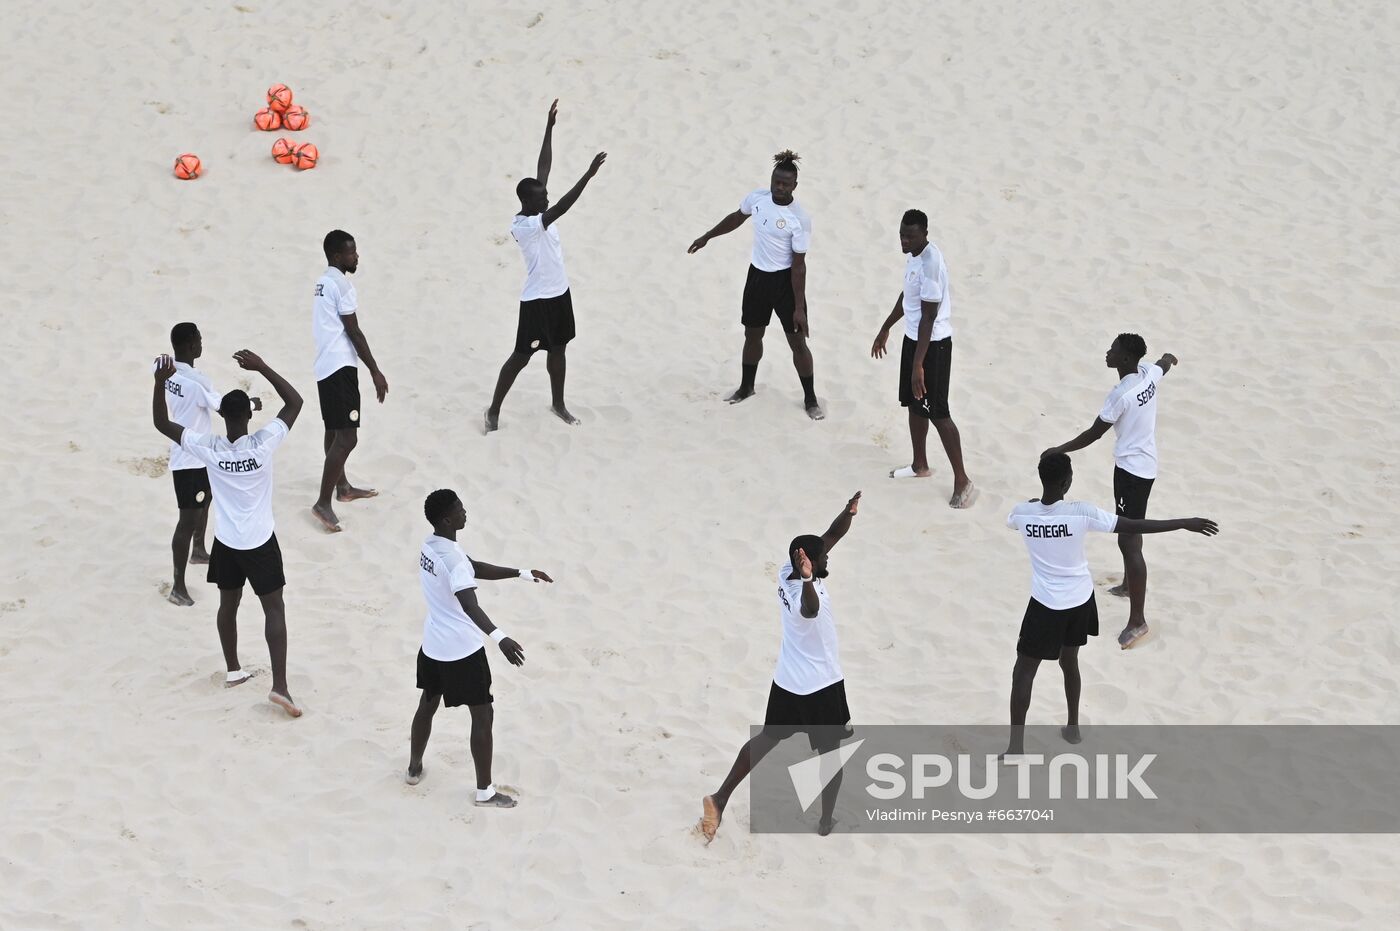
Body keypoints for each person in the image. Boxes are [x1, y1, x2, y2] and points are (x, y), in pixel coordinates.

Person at [1002, 453, 1216, 757]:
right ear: (1067, 481)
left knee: (1023, 673)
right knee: (1069, 661)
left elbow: (1016, 519)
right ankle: (1073, 727)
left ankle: (1015, 749)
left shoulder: (1021, 514)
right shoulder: (1082, 513)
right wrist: (1184, 523)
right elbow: (1134, 524)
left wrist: (1037, 503)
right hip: (1079, 602)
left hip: (1045, 605)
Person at [700, 491, 861, 842]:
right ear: (808, 563)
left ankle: (719, 797)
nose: (827, 557)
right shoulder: (804, 589)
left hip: (788, 680)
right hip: (821, 685)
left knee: (768, 737)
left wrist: (847, 512)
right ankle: (826, 821)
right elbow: (810, 610)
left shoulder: (787, 568)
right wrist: (808, 581)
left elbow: (831, 536)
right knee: (832, 755)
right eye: (822, 559)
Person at [151, 350, 305, 717]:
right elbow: (295, 402)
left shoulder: (211, 448)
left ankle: (234, 670)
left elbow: (162, 424)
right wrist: (263, 366)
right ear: (249, 416)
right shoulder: (263, 443)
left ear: (221, 416)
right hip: (260, 541)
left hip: (227, 543)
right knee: (274, 609)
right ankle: (280, 686)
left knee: (228, 606)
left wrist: (159, 384)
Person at [406, 489, 554, 807]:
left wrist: (522, 573)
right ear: (447, 519)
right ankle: (485, 791)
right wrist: (501, 638)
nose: (465, 512)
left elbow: (475, 567)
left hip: (432, 646)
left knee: (427, 705)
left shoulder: (431, 546)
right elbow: (470, 605)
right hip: (462, 651)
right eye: (459, 509)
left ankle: (414, 767)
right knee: (482, 716)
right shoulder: (455, 562)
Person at [1040, 335, 1178, 648]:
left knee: (1128, 538)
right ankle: (1129, 585)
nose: (1108, 352)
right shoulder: (1147, 374)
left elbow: (1094, 433)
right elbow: (1163, 365)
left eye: (1113, 350)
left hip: (1131, 472)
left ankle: (1138, 620)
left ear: (1127, 359)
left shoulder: (1121, 394)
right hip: (1145, 466)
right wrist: (1171, 357)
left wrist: (1058, 450)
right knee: (1132, 526)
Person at [485, 99, 607, 433]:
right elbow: (563, 206)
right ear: (528, 202)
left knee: (559, 350)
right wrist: (588, 175)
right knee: (521, 357)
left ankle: (558, 403)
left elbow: (544, 168)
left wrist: (549, 128)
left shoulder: (536, 207)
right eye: (542, 199)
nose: (547, 200)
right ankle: (494, 409)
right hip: (537, 300)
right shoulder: (527, 225)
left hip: (560, 294)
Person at [688, 150, 823, 420]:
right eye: (776, 181)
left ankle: (810, 398)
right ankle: (746, 386)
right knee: (752, 335)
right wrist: (707, 236)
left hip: (785, 282)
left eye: (785, 184)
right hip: (757, 278)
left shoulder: (800, 219)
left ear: (795, 186)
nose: (780, 187)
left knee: (797, 343)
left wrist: (799, 307)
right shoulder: (758, 199)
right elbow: (737, 218)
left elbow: (799, 266)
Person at [870, 209, 975, 507]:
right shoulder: (914, 255)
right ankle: (920, 465)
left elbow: (929, 317)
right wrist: (886, 327)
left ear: (925, 233)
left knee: (938, 411)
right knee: (914, 405)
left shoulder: (931, 264)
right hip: (914, 339)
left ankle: (962, 480)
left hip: (935, 346)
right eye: (902, 234)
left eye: (910, 235)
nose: (904, 239)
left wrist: (919, 364)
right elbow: (908, 298)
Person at [160, 322, 261, 606]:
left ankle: (199, 550)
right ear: (191, 345)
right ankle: (178, 586)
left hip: (191, 453)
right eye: (200, 339)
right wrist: (251, 404)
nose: (202, 343)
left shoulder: (167, 373)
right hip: (191, 459)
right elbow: (223, 407)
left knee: (205, 503)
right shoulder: (196, 383)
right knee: (187, 520)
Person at [311, 229, 389, 533]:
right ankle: (322, 502)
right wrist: (374, 370)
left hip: (324, 364)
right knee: (348, 437)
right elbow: (354, 331)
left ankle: (342, 487)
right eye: (351, 252)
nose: (356, 256)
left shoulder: (322, 282)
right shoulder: (342, 285)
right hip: (341, 366)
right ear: (336, 256)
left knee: (333, 429)